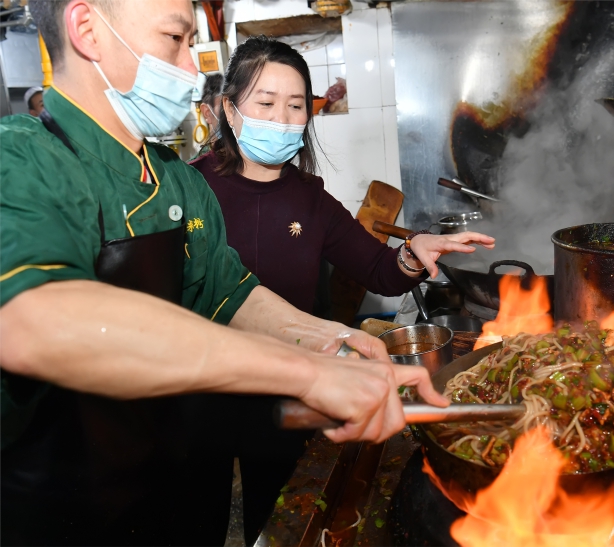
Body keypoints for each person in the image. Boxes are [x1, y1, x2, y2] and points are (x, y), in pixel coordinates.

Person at [0, 1, 446, 545]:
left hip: (164, 479)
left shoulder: (177, 182)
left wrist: (338, 341)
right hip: (62, 510)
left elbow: (230, 295)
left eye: (191, 44)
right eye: (175, 40)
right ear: (87, 29)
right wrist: (307, 373)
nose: (192, 70)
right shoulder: (20, 159)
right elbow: (37, 322)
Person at [191, 36, 496, 316]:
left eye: (295, 105)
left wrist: (413, 252)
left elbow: (378, 270)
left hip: (296, 354)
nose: (281, 119)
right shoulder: (190, 187)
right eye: (266, 103)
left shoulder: (310, 197)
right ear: (230, 109)